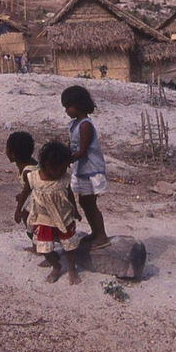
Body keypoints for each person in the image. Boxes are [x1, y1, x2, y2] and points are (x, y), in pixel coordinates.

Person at [16, 140, 82, 284]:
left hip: (64, 217)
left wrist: (75, 210)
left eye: (65, 168)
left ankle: (71, 268)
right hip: (43, 218)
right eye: (60, 169)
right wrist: (18, 210)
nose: (63, 172)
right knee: (44, 248)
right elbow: (24, 193)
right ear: (47, 165)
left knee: (69, 246)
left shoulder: (64, 178)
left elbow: (70, 195)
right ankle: (56, 265)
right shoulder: (33, 178)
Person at [62, 84, 109, 248]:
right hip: (81, 169)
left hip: (90, 170)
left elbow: (81, 151)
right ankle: (95, 232)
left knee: (90, 203)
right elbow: (71, 147)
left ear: (78, 106)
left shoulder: (85, 125)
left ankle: (101, 235)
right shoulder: (73, 125)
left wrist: (66, 160)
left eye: (68, 107)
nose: (66, 111)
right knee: (84, 202)